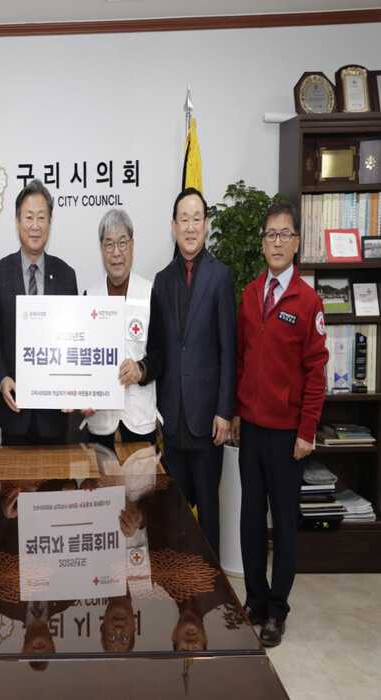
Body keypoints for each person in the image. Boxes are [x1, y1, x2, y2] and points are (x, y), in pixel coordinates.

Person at [232, 201, 328, 647]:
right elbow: (241, 358)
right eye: (270, 234)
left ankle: (276, 610)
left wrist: (307, 431)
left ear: (296, 243)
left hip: (288, 435)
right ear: (263, 242)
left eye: (284, 234)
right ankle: (254, 600)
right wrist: (236, 411)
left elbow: (316, 372)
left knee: (284, 525)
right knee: (251, 519)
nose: (276, 242)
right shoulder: (251, 295)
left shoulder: (308, 302)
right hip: (250, 429)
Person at [147, 187, 237, 558]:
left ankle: (211, 588)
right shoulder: (161, 280)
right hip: (172, 418)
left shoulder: (220, 276)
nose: (189, 227)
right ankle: (177, 585)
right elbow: (157, 350)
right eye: (183, 219)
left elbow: (228, 350)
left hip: (207, 419)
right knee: (174, 512)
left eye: (196, 218)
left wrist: (224, 411)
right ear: (173, 226)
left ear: (206, 224)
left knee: (209, 516)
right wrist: (153, 408)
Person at [0, 179, 78, 445]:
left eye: (41, 217)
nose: (35, 225)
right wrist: (2, 379)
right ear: (17, 221)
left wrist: (73, 388)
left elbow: (73, 341)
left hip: (55, 415)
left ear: (50, 223)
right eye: (28, 217)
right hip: (15, 413)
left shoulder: (66, 275)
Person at [84, 209, 161, 448]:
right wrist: (82, 394)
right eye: (109, 244)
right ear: (101, 249)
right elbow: (82, 360)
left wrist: (141, 369)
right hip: (100, 422)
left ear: (132, 245)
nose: (116, 252)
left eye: (122, 242)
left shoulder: (149, 294)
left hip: (139, 421)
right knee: (99, 474)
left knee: (142, 476)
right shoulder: (89, 296)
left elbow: (160, 354)